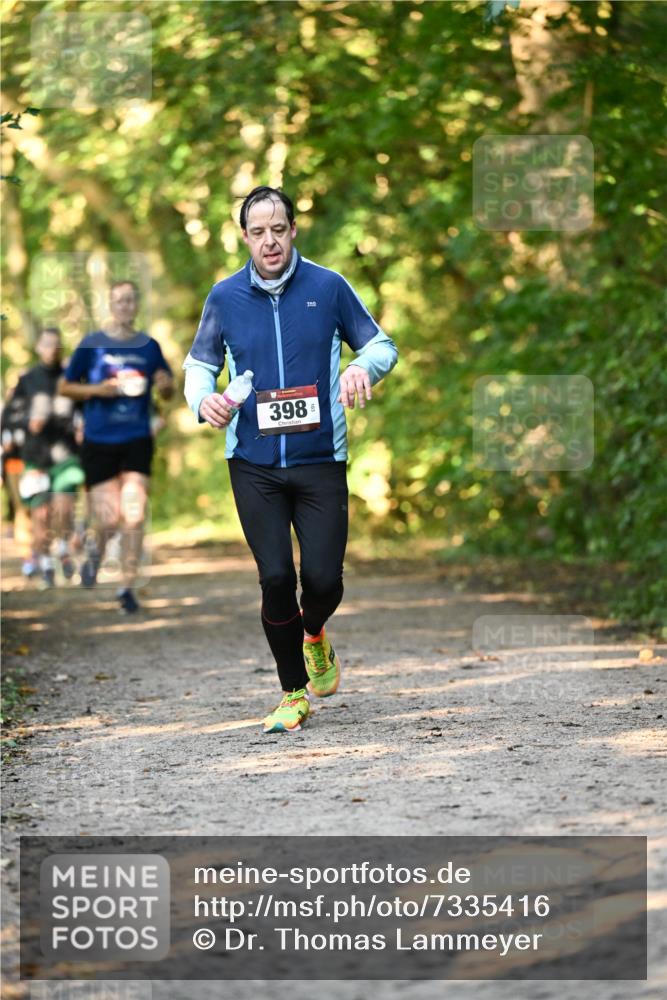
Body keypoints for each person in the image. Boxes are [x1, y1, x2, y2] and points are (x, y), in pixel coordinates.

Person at [183, 186, 398, 733]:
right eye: (258, 232)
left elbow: (381, 345)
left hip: (321, 457)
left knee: (322, 582)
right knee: (276, 575)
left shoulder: (328, 287)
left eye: (278, 229)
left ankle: (315, 634)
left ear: (293, 230)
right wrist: (202, 399)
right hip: (252, 462)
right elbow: (198, 368)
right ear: (245, 238)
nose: (270, 240)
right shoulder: (224, 297)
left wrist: (361, 369)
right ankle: (292, 692)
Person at [58, 280, 174, 613]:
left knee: (134, 513)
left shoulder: (149, 347)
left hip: (137, 438)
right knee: (109, 519)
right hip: (99, 440)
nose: (124, 306)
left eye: (129, 301)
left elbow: (166, 390)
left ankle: (127, 587)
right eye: (118, 301)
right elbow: (65, 387)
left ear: (136, 306)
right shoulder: (91, 344)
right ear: (110, 306)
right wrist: (98, 390)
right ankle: (95, 551)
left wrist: (166, 384)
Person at [1, 327, 84, 587]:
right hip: (35, 457)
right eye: (47, 345)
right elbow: (9, 418)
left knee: (64, 508)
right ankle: (46, 563)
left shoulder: (70, 377)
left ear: (61, 348)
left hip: (66, 454)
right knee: (41, 514)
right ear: (38, 348)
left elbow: (85, 409)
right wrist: (27, 423)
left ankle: (62, 546)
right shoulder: (27, 380)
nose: (52, 350)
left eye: (56, 345)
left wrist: (83, 427)